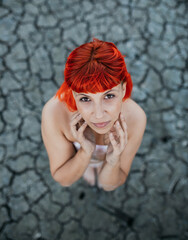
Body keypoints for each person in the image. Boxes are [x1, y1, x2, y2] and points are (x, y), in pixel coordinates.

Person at [41, 38, 147, 191]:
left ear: (123, 89)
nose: (98, 115)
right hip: (79, 158)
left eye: (109, 96)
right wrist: (85, 152)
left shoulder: (136, 118)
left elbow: (110, 185)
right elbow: (64, 179)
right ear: (73, 93)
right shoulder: (54, 114)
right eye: (85, 98)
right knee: (88, 172)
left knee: (99, 176)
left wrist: (112, 161)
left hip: (105, 164)